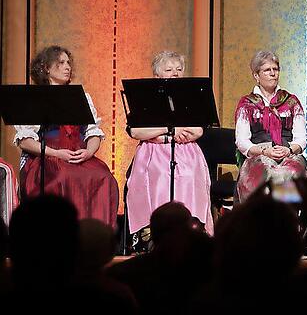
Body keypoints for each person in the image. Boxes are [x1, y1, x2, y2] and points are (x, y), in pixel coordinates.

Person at [13, 46, 118, 228]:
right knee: (62, 176)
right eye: (61, 63)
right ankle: (61, 236)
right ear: (46, 67)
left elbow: (92, 132)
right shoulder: (35, 98)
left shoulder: (81, 96)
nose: (67, 67)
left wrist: (88, 152)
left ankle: (94, 237)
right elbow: (26, 141)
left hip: (78, 154)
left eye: (68, 62)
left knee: (104, 177)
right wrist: (56, 153)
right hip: (47, 156)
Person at [126, 51, 213, 238]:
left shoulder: (192, 96)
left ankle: (190, 229)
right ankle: (153, 233)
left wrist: (163, 133)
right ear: (157, 76)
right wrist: (169, 131)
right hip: (153, 152)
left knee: (188, 175)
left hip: (186, 150)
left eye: (179, 69)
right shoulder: (145, 97)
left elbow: (197, 131)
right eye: (169, 69)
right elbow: (135, 131)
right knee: (159, 175)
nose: (175, 73)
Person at [235, 50, 307, 202]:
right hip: (259, 154)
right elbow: (242, 142)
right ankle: (266, 218)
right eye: (267, 70)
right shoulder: (246, 104)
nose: (273, 73)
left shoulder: (291, 101)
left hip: (288, 152)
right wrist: (265, 151)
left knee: (290, 171)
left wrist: (288, 150)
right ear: (256, 76)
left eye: (275, 69)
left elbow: (301, 139)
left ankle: (285, 217)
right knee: (266, 171)